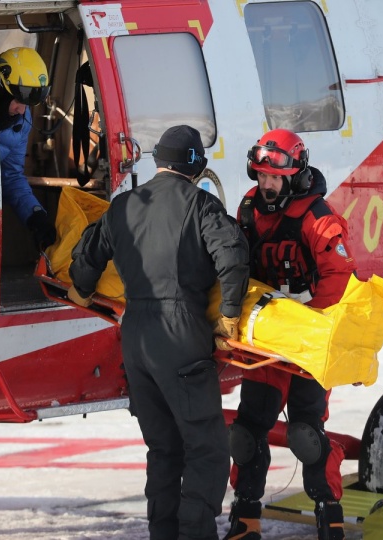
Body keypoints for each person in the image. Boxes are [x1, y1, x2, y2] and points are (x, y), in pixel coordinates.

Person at [67, 125, 249, 540]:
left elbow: (88, 253)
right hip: (181, 331)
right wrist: (230, 315)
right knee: (208, 449)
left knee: (164, 449)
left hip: (136, 338)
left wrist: (81, 288)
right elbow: (233, 258)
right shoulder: (201, 205)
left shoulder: (123, 205)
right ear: (194, 164)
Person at [224, 129, 357, 540]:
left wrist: (310, 326)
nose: (265, 185)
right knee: (247, 432)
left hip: (306, 343)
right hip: (264, 340)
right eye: (261, 176)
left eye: (274, 178)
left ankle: (330, 522)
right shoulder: (249, 208)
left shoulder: (317, 217)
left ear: (294, 175)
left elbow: (339, 275)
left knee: (306, 434)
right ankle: (245, 521)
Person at [0, 46, 56, 249]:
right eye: (18, 101)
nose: (22, 110)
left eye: (28, 105)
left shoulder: (21, 122)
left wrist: (35, 216)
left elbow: (12, 176)